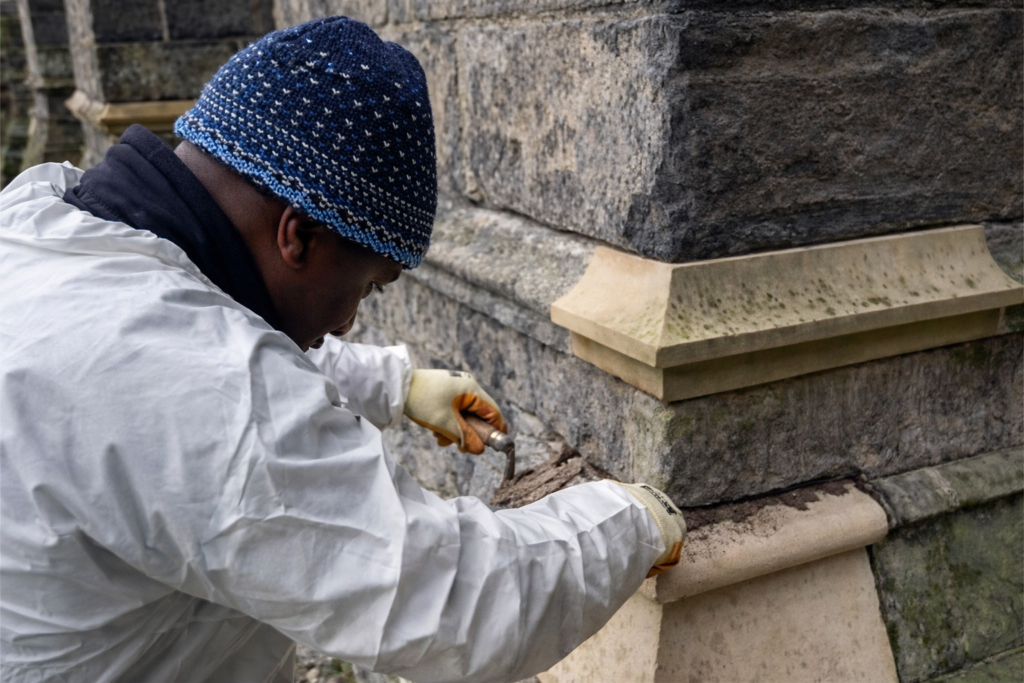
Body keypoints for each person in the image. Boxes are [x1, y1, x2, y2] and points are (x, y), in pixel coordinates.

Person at [0, 16, 686, 683]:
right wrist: (631, 523)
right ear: (298, 235)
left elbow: (193, 357)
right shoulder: (205, 388)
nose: (351, 322)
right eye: (369, 286)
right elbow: (453, 602)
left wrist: (395, 384)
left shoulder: (46, 220)